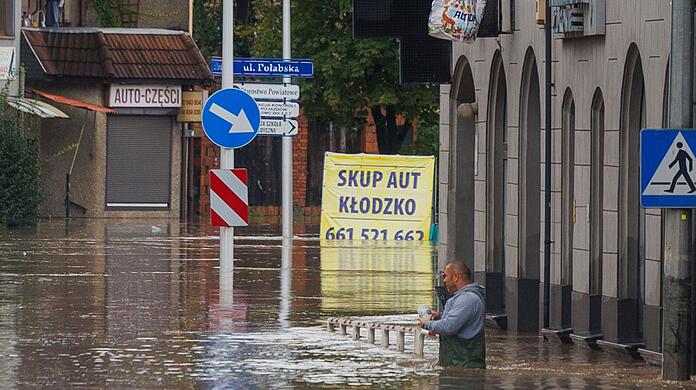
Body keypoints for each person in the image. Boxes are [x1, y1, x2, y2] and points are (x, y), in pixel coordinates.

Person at [418, 260, 486, 368]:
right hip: (458, 365)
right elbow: (458, 322)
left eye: (445, 276)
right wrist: (440, 316)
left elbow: (448, 327)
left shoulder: (467, 299)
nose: (444, 280)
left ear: (456, 277)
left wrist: (426, 324)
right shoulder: (464, 298)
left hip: (463, 369)